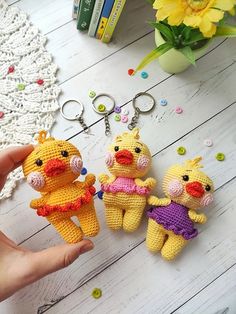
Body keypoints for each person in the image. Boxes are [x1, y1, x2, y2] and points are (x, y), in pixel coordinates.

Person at [0, 145, 94, 302]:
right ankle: (74, 231)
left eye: (64, 154)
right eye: (38, 164)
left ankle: (87, 224)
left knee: (89, 221)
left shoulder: (75, 183)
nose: (54, 165)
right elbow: (40, 201)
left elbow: (86, 182)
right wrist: (40, 202)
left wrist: (87, 182)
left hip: (81, 201)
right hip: (56, 212)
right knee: (70, 231)